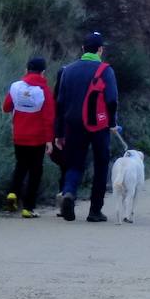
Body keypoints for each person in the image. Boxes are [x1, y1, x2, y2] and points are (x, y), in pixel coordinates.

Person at [54, 31, 119, 222]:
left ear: (83, 49)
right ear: (100, 50)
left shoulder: (68, 70)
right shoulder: (106, 71)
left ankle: (68, 193)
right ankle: (95, 211)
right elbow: (112, 100)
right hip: (99, 126)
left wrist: (58, 132)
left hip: (72, 125)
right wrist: (112, 123)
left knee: (74, 164)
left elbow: (60, 102)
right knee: (101, 165)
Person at [2, 56, 55, 218]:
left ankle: (12, 193)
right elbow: (49, 117)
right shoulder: (44, 91)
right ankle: (28, 208)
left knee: (20, 166)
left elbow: (6, 107)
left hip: (19, 135)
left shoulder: (16, 87)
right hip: (37, 138)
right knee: (35, 171)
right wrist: (49, 140)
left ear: (26, 70)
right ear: (43, 73)